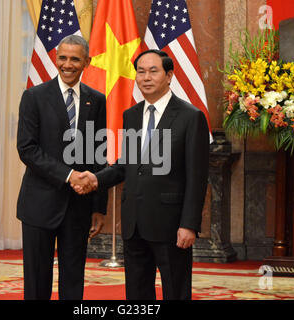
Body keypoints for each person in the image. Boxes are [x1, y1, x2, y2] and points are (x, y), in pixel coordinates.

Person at [72, 49, 210, 300]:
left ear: (169, 76)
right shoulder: (131, 115)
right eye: (141, 71)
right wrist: (95, 179)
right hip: (134, 223)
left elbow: (197, 176)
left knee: (176, 290)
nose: (145, 77)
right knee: (136, 293)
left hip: (171, 225)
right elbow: (126, 165)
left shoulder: (191, 117)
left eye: (153, 71)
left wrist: (189, 224)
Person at [16, 35, 108, 300]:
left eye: (75, 59)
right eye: (63, 58)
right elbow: (27, 149)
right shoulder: (34, 96)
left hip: (78, 207)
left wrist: (99, 206)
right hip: (38, 205)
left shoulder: (97, 100)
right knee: (36, 284)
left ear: (87, 62)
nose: (67, 64)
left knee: (73, 281)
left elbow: (97, 153)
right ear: (56, 59)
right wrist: (68, 176)